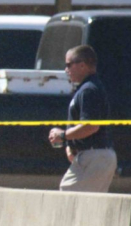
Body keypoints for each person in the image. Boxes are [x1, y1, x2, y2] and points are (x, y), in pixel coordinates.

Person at [48, 44, 116, 192]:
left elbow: (91, 126)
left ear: (82, 65)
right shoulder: (85, 89)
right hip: (90, 156)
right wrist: (70, 145)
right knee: (81, 202)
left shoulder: (89, 90)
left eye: (68, 65)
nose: (66, 70)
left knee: (68, 194)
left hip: (96, 156)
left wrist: (63, 136)